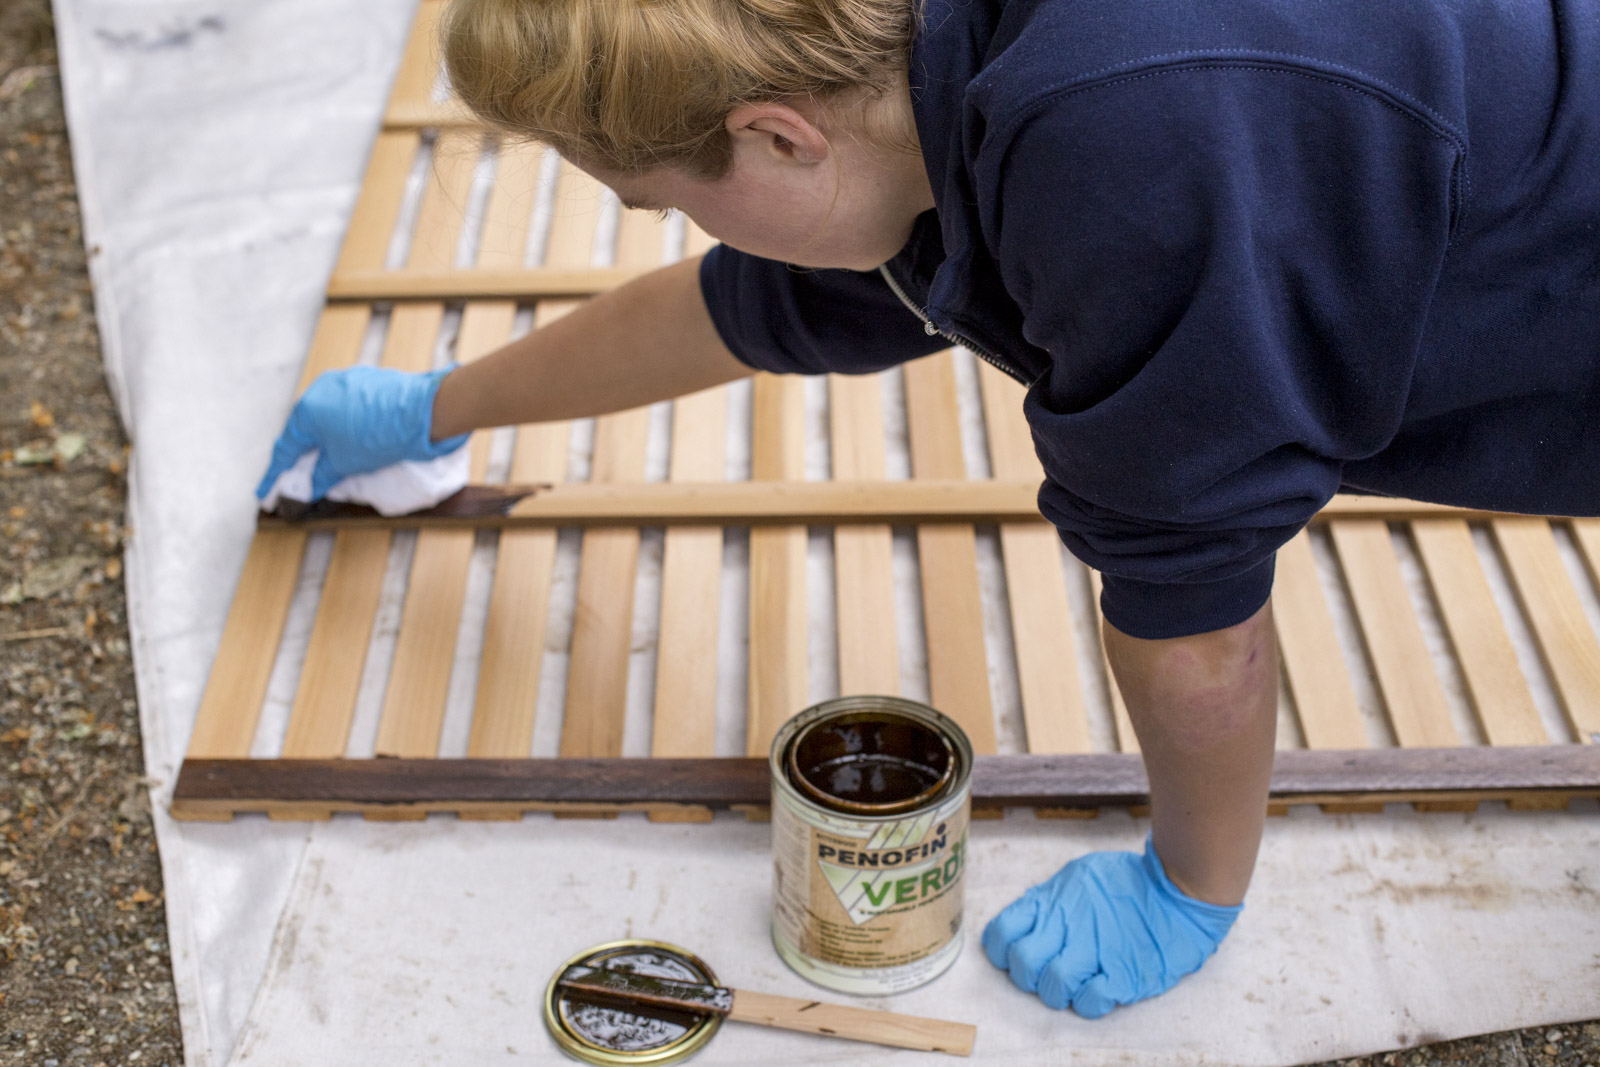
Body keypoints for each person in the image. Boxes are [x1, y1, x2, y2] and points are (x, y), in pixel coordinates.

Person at [256, 0, 1600, 1018]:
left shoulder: (1129, 167)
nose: (679, 231)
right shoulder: (910, 70)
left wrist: (1192, 882)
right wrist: (443, 405)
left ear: (777, 133)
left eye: (656, 201)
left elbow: (1191, 602)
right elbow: (759, 302)